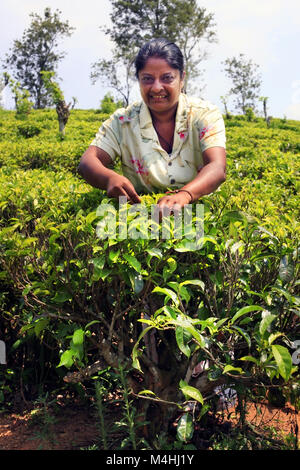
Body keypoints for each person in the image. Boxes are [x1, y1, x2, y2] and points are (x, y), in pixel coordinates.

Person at [77, 38, 226, 216]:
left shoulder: (204, 114)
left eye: (167, 78)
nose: (156, 88)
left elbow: (217, 167)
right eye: (147, 79)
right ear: (139, 80)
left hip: (199, 217)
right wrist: (109, 178)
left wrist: (185, 195)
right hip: (141, 221)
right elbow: (87, 162)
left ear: (182, 78)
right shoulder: (123, 121)